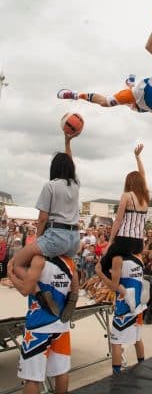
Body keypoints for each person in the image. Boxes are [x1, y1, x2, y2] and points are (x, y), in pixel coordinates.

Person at [57, 26, 152, 127]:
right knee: (106, 103)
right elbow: (149, 48)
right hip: (139, 91)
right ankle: (75, 95)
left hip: (147, 107)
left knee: (129, 106)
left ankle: (129, 84)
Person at [11, 134, 80, 318]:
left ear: (54, 168)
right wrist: (67, 143)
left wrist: (39, 238)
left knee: (16, 262)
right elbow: (71, 164)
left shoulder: (50, 186)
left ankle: (40, 293)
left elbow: (42, 218)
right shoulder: (75, 185)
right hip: (74, 238)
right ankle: (74, 295)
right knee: (69, 265)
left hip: (56, 235)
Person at [7, 254, 75, 394]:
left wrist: (11, 276)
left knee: (32, 378)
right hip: (61, 325)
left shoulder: (38, 260)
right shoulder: (69, 262)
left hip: (38, 325)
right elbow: (75, 291)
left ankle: (42, 296)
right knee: (61, 371)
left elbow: (25, 289)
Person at [100, 144, 149, 278]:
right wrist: (138, 157)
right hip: (139, 242)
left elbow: (118, 220)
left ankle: (116, 285)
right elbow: (143, 175)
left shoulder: (127, 196)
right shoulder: (145, 197)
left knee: (101, 266)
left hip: (124, 240)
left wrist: (110, 242)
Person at [95, 253, 147, 375]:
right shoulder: (138, 258)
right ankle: (143, 366)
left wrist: (100, 273)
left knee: (116, 342)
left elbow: (113, 286)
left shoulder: (118, 259)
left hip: (124, 306)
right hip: (139, 304)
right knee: (137, 338)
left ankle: (116, 375)